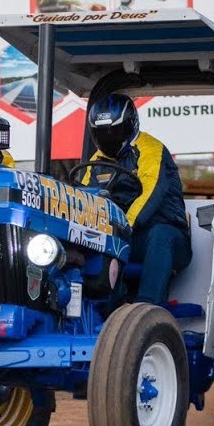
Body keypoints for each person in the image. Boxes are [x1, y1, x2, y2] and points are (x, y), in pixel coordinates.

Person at [83, 93, 191, 305]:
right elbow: (85, 196)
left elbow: (152, 192)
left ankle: (146, 307)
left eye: (114, 131)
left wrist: (124, 226)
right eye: (102, 133)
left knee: (161, 234)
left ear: (130, 125)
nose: (108, 139)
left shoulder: (151, 149)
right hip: (122, 237)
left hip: (166, 238)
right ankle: (92, 306)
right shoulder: (96, 160)